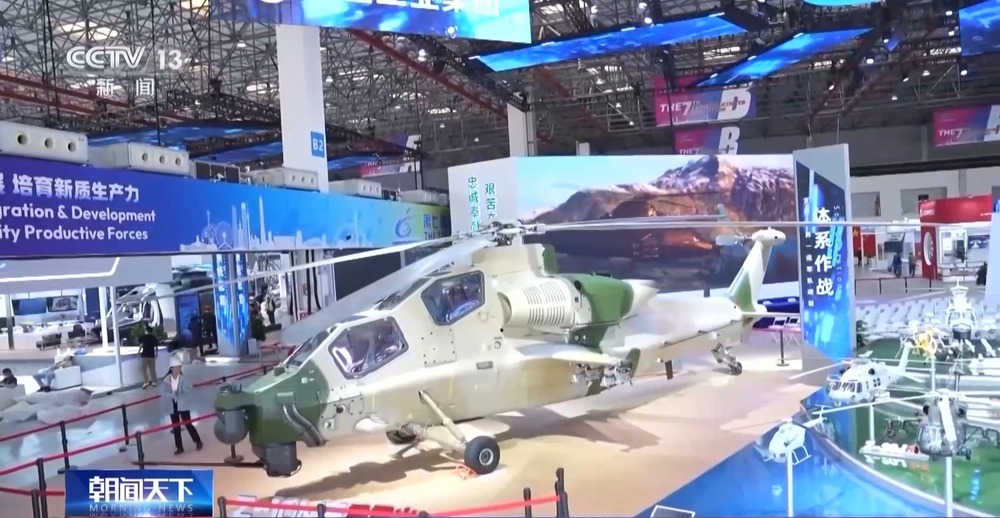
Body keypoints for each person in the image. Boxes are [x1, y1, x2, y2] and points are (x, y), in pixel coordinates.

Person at [159, 356, 203, 455]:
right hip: (172, 405)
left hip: (182, 404)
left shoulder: (184, 378)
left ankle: (198, 441)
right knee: (176, 427)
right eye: (176, 367)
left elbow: (188, 389)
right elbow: (162, 392)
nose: (178, 369)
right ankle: (179, 447)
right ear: (171, 369)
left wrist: (182, 392)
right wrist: (171, 395)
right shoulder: (166, 380)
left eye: (179, 367)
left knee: (187, 423)